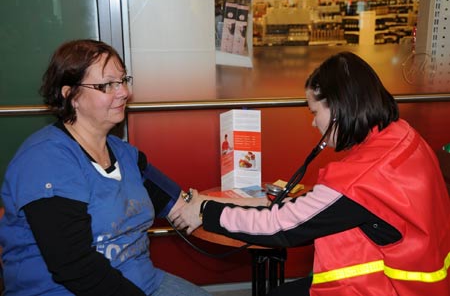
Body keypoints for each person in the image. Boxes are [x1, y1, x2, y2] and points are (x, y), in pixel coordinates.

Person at [171, 52, 450, 296]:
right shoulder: (403, 136)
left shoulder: (361, 179)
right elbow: (318, 209)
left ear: (339, 108)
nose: (313, 122)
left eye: (315, 111)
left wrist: (205, 211)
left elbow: (279, 226)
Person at [0, 39, 211, 296]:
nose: (124, 92)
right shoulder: (44, 161)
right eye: (107, 85)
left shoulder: (125, 154)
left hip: (143, 281)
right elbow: (74, 267)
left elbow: (182, 206)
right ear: (71, 95)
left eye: (123, 80)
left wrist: (258, 211)